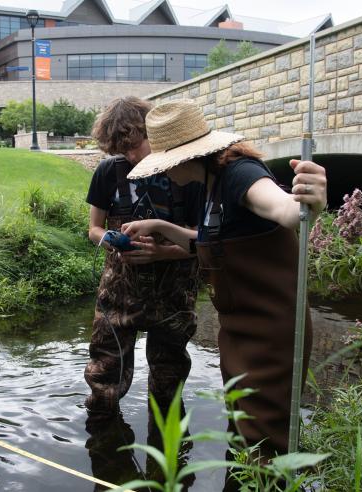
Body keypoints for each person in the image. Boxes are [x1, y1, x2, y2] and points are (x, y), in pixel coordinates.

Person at [121, 100, 327, 461]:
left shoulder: (240, 173)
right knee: (241, 430)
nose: (163, 173)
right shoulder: (208, 184)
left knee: (264, 442)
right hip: (236, 331)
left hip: (271, 334)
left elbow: (285, 210)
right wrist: (160, 228)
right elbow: (210, 242)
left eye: (165, 164)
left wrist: (309, 200)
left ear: (186, 157)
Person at [83, 96, 203, 423]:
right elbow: (94, 228)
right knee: (103, 381)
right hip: (118, 295)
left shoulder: (186, 172)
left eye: (136, 146)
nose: (131, 157)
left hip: (173, 296)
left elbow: (202, 240)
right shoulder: (109, 172)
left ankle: (168, 466)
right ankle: (105, 454)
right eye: (123, 151)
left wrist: (161, 252)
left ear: (153, 133)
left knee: (168, 390)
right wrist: (108, 238)